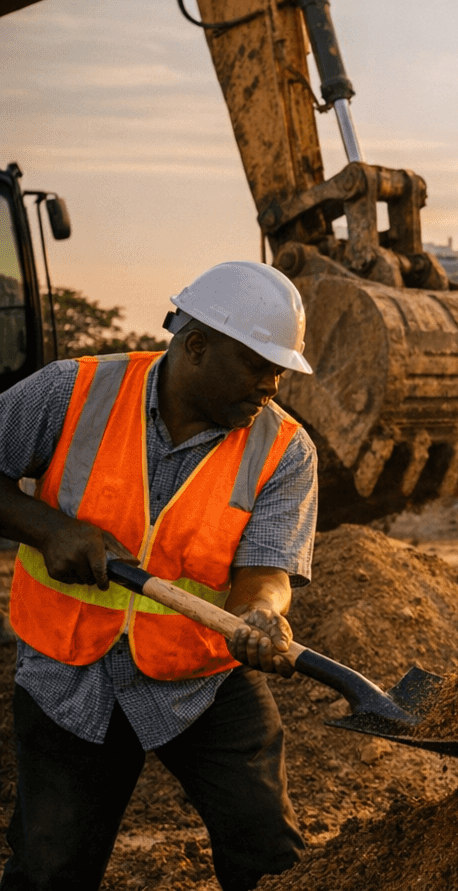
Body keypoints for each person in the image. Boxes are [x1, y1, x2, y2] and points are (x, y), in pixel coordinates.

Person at [0, 261, 317, 891]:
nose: (272, 383)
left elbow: (267, 570)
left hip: (200, 680)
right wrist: (49, 528)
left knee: (269, 854)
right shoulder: (71, 391)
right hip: (69, 673)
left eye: (281, 367)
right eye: (258, 364)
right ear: (197, 345)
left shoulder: (285, 449)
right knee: (50, 869)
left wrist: (261, 614)